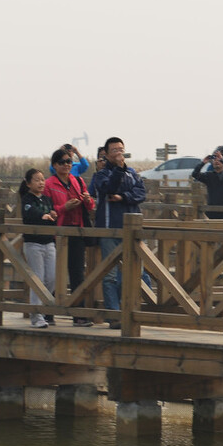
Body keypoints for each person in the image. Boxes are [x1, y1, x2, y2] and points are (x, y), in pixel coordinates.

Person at [90, 136, 146, 328]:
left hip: (132, 230)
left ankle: (128, 312)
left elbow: (141, 193)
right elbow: (108, 188)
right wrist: (117, 171)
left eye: (121, 149)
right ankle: (114, 316)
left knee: (132, 273)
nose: (118, 153)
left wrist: (123, 197)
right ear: (106, 153)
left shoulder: (132, 172)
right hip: (109, 229)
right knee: (110, 275)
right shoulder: (101, 174)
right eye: (114, 150)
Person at [44, 148, 96, 326]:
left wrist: (88, 200)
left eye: (69, 162)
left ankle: (78, 314)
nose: (67, 165)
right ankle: (47, 313)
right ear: (54, 165)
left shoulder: (78, 181)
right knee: (52, 274)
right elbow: (46, 210)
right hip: (57, 233)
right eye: (62, 162)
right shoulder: (49, 184)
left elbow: (89, 207)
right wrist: (63, 208)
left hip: (77, 231)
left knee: (77, 274)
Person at [19, 168, 57, 328]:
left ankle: (44, 310)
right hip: (33, 243)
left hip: (49, 242)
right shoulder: (27, 199)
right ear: (28, 183)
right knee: (38, 279)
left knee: (52, 278)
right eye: (36, 180)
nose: (41, 182)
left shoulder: (47, 200)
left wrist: (52, 216)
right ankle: (36, 316)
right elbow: (30, 214)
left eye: (42, 179)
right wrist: (43, 216)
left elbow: (51, 218)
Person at [192, 152, 223, 219]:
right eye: (214, 160)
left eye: (219, 160)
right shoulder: (209, 175)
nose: (216, 161)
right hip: (211, 210)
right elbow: (195, 174)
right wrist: (203, 163)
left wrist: (222, 159)